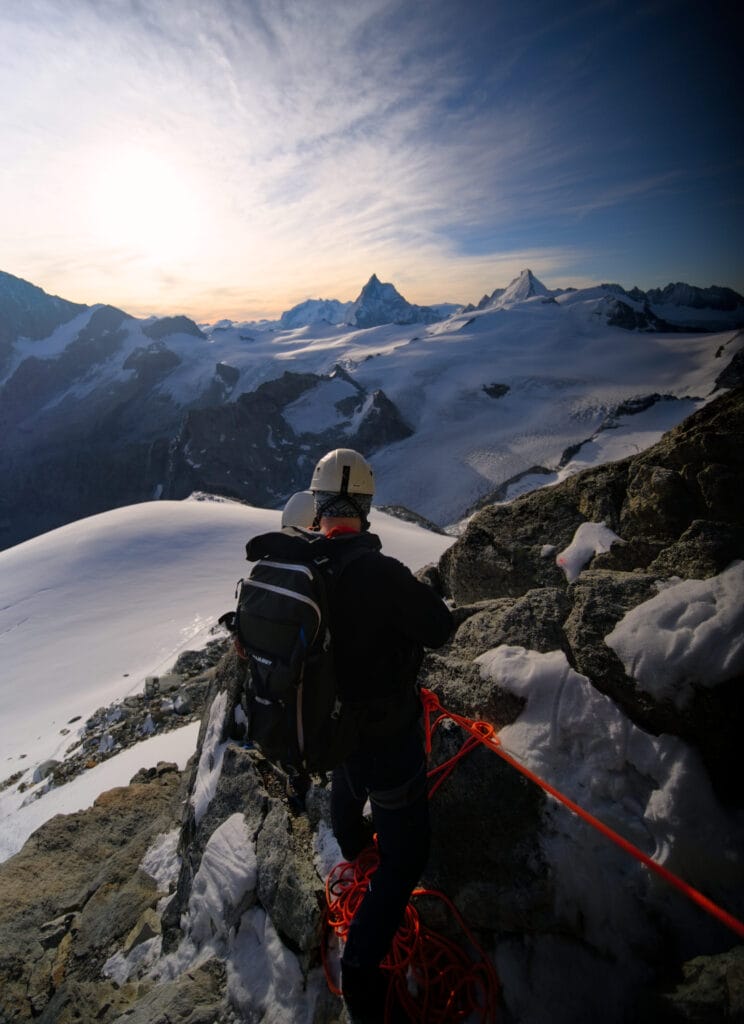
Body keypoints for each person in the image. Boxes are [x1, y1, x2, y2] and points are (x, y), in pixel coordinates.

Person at [308, 448, 454, 1024]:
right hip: (388, 742)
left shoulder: (305, 569)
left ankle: (352, 845)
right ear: (365, 508)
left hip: (333, 736)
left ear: (318, 506)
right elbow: (439, 629)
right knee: (407, 856)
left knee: (349, 788)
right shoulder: (382, 574)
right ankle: (363, 970)